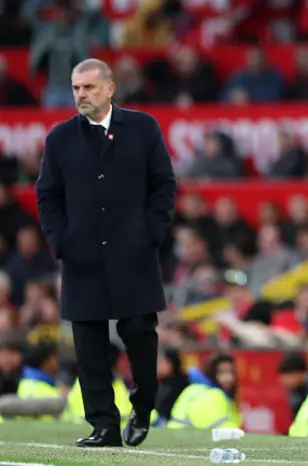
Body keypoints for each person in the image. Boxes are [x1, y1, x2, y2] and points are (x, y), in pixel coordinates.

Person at [36, 58, 176, 447]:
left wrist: (152, 233)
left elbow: (163, 184)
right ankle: (104, 426)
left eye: (89, 87)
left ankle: (144, 403)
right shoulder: (60, 138)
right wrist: (61, 241)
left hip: (134, 255)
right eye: (76, 88)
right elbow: (47, 196)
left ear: (110, 89)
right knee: (89, 347)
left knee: (140, 334)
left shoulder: (143, 128)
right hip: (82, 258)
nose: (80, 94)